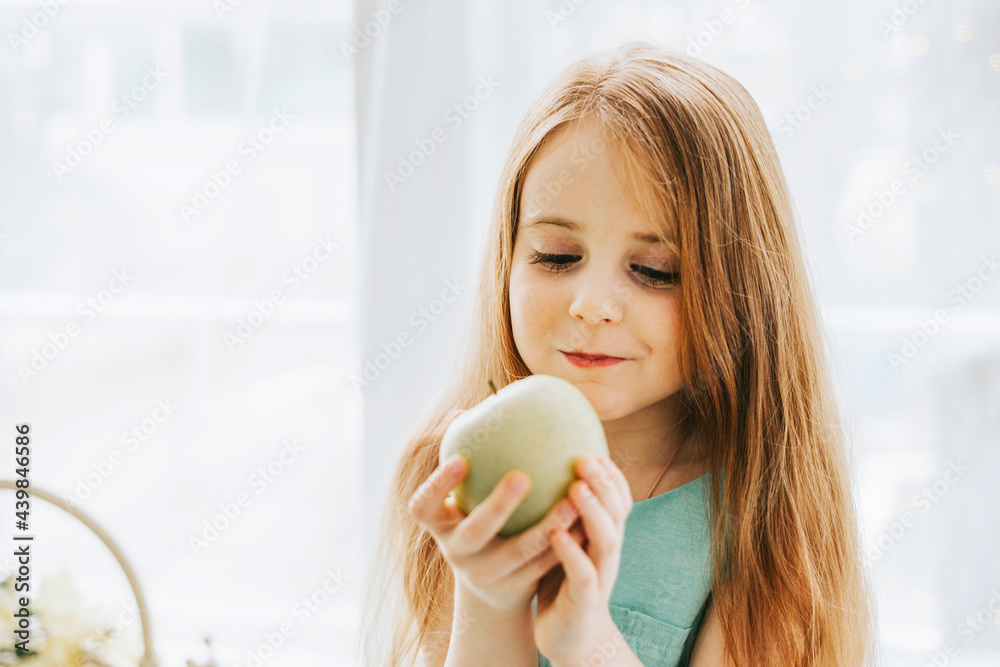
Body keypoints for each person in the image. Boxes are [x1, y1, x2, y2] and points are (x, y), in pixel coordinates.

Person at [360, 39, 876, 667]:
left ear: (743, 291)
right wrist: (488, 601)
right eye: (556, 256)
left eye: (654, 269)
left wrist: (589, 642)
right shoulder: (449, 479)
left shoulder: (763, 515)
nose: (593, 304)